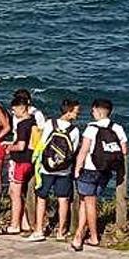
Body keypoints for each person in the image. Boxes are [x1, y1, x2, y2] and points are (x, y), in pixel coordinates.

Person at [71, 99, 128, 252]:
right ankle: (79, 233)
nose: (92, 112)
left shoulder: (91, 128)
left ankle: (94, 237)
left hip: (90, 169)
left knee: (89, 202)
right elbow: (124, 151)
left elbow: (83, 151)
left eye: (93, 110)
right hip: (105, 171)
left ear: (98, 110)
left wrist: (77, 169)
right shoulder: (117, 128)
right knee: (85, 201)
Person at [28, 99, 81, 242]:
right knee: (63, 199)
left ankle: (39, 230)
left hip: (46, 168)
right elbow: (73, 150)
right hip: (64, 170)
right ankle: (61, 232)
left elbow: (43, 143)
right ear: (68, 112)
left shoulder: (50, 123)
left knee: (41, 198)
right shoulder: (75, 131)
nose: (78, 114)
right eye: (76, 111)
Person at [0, 94, 37, 235]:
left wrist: (9, 148)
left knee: (14, 193)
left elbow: (21, 145)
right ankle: (24, 222)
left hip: (20, 161)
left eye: (14, 110)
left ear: (21, 109)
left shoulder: (22, 124)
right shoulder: (33, 122)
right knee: (19, 192)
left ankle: (14, 225)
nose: (13, 113)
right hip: (29, 161)